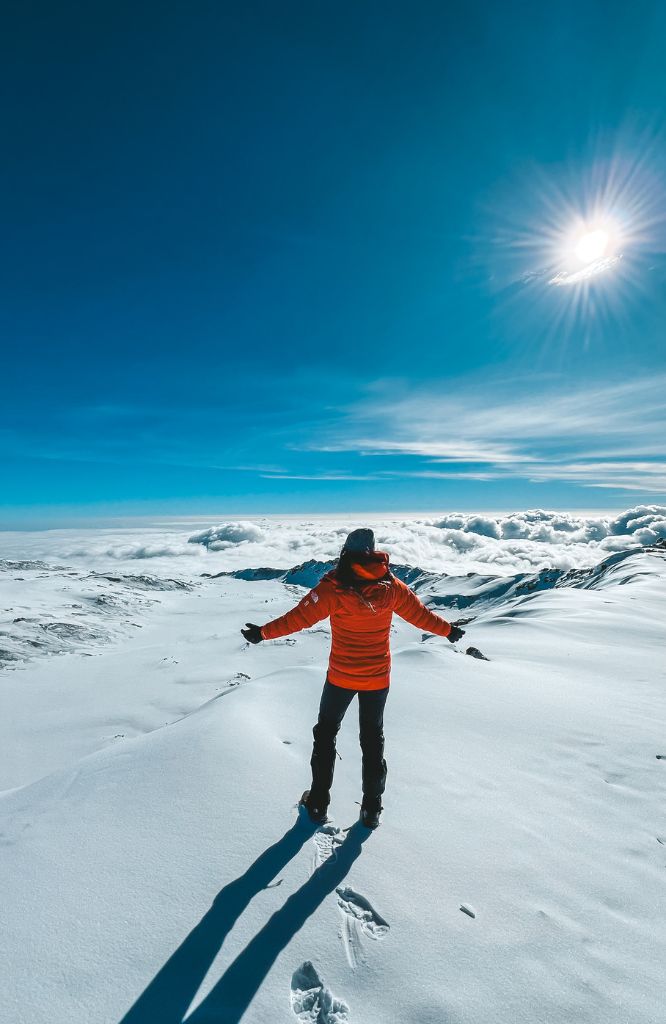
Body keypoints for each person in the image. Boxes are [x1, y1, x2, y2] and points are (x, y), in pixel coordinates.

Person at [241, 528, 464, 829]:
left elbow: (298, 618)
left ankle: (318, 802)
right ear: (372, 553)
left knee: (325, 733)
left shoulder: (334, 588)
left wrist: (262, 633)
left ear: (346, 552)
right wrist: (448, 631)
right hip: (377, 679)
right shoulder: (392, 586)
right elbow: (420, 614)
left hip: (341, 678)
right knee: (373, 740)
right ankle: (372, 808)